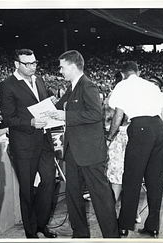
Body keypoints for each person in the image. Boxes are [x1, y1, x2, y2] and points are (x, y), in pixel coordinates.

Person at [51, 50, 119, 238]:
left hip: (90, 152)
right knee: (73, 196)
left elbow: (95, 114)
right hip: (73, 151)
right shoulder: (71, 88)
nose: (60, 71)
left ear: (72, 67)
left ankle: (111, 236)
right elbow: (57, 109)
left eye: (62, 67)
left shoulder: (88, 86)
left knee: (100, 197)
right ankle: (80, 234)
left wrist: (66, 115)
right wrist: (47, 107)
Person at [0, 49, 57, 239]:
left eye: (34, 63)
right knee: (27, 189)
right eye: (28, 64)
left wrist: (50, 104)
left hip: (44, 141)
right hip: (24, 144)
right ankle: (31, 232)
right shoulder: (7, 85)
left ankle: (41, 224)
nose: (32, 67)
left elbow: (39, 106)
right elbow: (8, 118)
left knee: (49, 182)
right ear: (17, 64)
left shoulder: (39, 80)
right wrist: (29, 123)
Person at [107, 61, 163, 238]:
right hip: (158, 128)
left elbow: (118, 115)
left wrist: (110, 137)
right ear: (138, 71)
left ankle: (124, 225)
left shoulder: (122, 85)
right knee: (155, 179)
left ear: (123, 73)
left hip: (140, 127)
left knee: (132, 178)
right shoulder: (151, 86)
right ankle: (153, 227)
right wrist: (157, 132)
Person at [103, 71, 141, 223]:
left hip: (121, 137)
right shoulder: (115, 97)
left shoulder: (112, 97)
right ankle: (117, 212)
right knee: (122, 176)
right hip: (122, 136)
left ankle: (125, 212)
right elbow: (112, 119)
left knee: (119, 177)